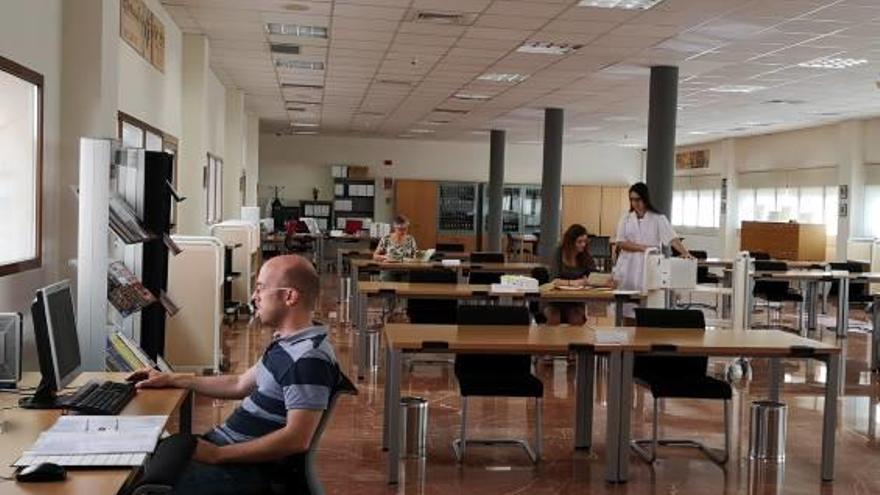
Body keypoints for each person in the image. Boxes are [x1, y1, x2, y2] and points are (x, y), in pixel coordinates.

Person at [129, 255, 339, 495]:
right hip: (227, 451)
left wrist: (219, 455)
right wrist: (173, 379)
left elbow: (297, 438)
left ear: (289, 296)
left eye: (261, 289)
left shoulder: (308, 359)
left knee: (137, 484)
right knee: (141, 461)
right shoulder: (289, 343)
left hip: (243, 469)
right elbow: (239, 383)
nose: (253, 297)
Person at [613, 182, 692, 321]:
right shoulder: (625, 218)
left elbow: (672, 238)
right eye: (632, 199)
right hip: (628, 266)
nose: (635, 203)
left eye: (638, 199)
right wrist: (643, 248)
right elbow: (620, 242)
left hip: (649, 266)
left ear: (645, 198)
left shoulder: (657, 218)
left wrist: (685, 252)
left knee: (649, 307)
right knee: (627, 307)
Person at [544, 224, 611, 326]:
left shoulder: (585, 255)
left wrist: (606, 281)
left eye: (585, 241)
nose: (583, 244)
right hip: (554, 300)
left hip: (575, 300)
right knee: (554, 318)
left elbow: (594, 275)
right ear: (570, 242)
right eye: (579, 242)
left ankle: (574, 341)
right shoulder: (559, 253)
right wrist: (573, 283)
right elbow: (554, 280)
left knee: (576, 319)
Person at [373, 215, 418, 282]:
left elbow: (415, 257)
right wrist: (385, 258)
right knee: (388, 285)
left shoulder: (410, 239)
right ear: (395, 227)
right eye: (400, 229)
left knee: (404, 288)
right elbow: (375, 256)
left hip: (405, 270)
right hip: (389, 270)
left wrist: (408, 260)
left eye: (405, 229)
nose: (403, 232)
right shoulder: (386, 238)